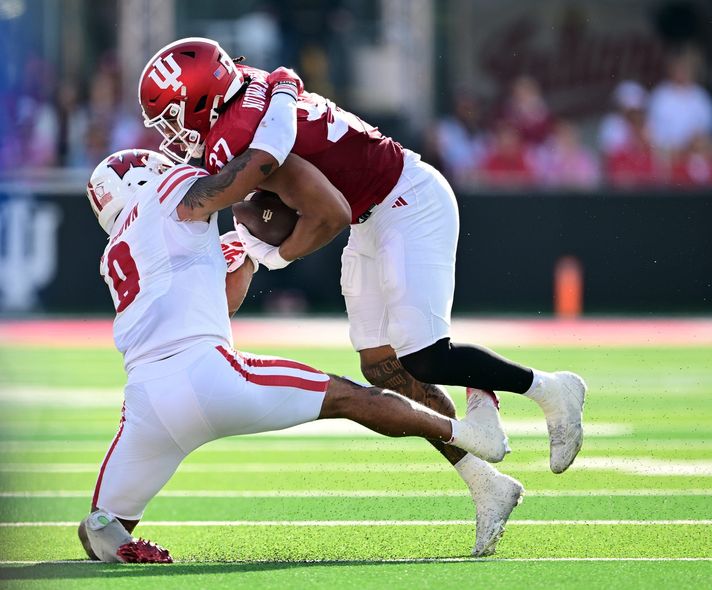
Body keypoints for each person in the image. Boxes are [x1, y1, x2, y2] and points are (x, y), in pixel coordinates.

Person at [138, 38, 587, 556]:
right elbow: (275, 155)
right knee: (382, 368)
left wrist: (266, 252)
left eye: (172, 116)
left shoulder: (241, 128)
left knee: (425, 354)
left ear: (199, 97)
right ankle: (487, 483)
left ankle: (551, 389)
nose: (171, 133)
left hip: (407, 200)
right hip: (371, 216)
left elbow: (322, 212)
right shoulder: (246, 102)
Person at [79, 148, 510, 563]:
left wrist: (243, 255)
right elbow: (246, 174)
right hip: (209, 373)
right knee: (352, 398)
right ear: (141, 177)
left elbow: (220, 303)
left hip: (147, 406)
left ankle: (118, 545)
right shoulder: (166, 190)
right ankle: (472, 437)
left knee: (98, 524)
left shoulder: (114, 254)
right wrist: (275, 109)